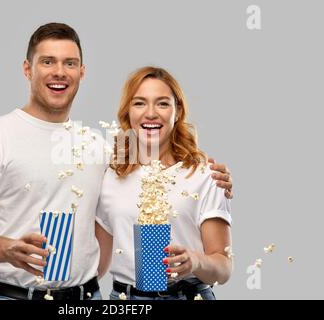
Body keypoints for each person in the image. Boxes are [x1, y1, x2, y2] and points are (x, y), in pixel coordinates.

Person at [0, 22, 233, 300]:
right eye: (48, 61)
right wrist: (8, 249)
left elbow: (155, 168)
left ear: (81, 72)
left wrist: (209, 174)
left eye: (70, 63)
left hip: (89, 298)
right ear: (28, 69)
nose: (59, 72)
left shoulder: (98, 150)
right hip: (13, 295)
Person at [95, 66, 232, 300]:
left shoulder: (203, 175)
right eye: (139, 103)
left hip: (188, 294)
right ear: (127, 112)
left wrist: (195, 261)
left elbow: (224, 269)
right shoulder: (110, 177)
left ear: (177, 111)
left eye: (162, 103)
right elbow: (96, 266)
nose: (150, 113)